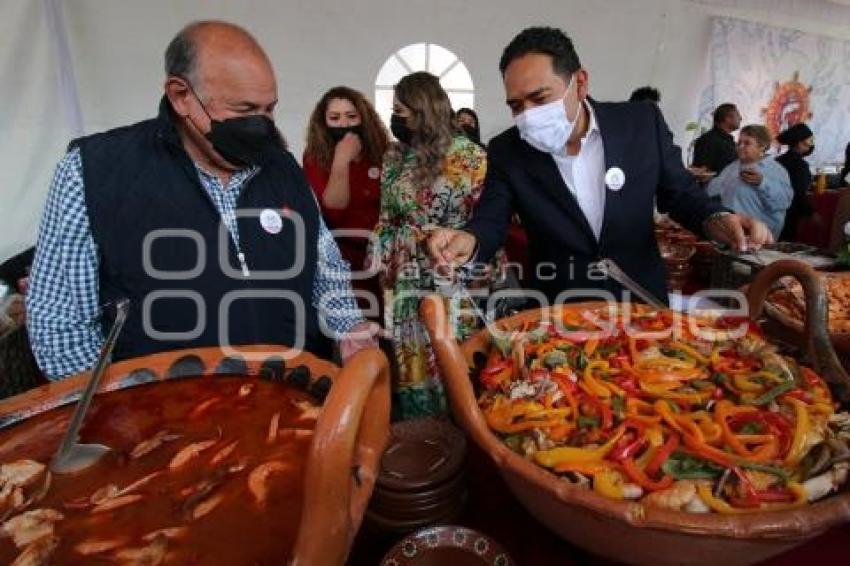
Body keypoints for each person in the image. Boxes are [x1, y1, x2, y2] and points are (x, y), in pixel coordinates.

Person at [26, 21, 377, 380]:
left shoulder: (281, 166)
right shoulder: (92, 172)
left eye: (270, 109)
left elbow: (324, 262)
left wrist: (349, 325)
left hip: (286, 401)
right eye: (244, 110)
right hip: (165, 420)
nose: (264, 126)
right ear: (181, 96)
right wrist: (116, 413)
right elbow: (60, 324)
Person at [428, 26, 771, 306]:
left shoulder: (640, 123)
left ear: (580, 82)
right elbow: (492, 218)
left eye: (540, 98)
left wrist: (717, 219)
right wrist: (469, 240)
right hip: (557, 307)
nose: (529, 115)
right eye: (516, 105)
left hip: (638, 301)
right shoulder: (508, 150)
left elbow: (679, 194)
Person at [367, 72, 499, 419]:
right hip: (404, 272)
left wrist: (471, 262)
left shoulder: (470, 157)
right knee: (410, 356)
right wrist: (383, 257)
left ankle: (464, 430)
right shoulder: (394, 155)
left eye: (401, 110)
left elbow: (485, 223)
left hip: (451, 271)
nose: (396, 117)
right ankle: (421, 432)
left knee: (453, 353)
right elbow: (386, 215)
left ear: (422, 109)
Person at [303, 86, 388, 314]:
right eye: (335, 117)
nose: (344, 124)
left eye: (351, 116)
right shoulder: (314, 156)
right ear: (324, 122)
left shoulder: (383, 152)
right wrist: (342, 158)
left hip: (382, 258)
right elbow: (334, 210)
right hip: (342, 259)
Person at [706, 125, 792, 239]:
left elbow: (783, 202)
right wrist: (705, 180)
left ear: (762, 146)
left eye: (747, 143)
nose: (740, 147)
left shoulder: (775, 170)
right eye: (739, 143)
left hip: (757, 238)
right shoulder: (732, 166)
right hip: (730, 233)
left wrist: (762, 182)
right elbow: (712, 191)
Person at [776, 123, 816, 241]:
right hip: (790, 213)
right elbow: (798, 193)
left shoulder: (778, 160)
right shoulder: (800, 165)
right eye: (808, 141)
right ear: (799, 143)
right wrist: (810, 213)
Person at [692, 103, 742, 175]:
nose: (741, 118)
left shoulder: (728, 141)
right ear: (727, 118)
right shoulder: (708, 140)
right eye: (738, 115)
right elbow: (702, 173)